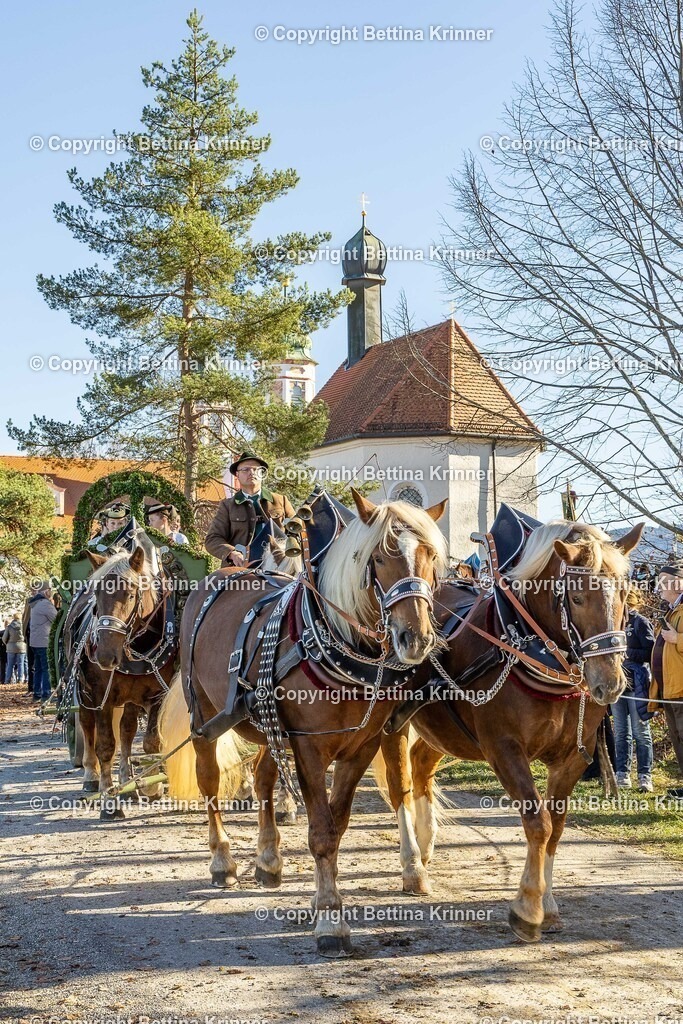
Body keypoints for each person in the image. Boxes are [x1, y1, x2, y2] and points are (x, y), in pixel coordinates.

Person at [204, 452, 295, 567]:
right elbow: (212, 539)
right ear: (237, 475)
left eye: (256, 469)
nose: (251, 473)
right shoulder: (227, 506)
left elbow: (297, 531)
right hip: (241, 568)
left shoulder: (281, 500)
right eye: (245, 469)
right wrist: (232, 553)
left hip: (279, 567)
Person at [613, 587, 655, 791]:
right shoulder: (614, 622)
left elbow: (651, 652)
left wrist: (628, 653)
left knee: (641, 732)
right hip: (618, 685)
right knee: (621, 732)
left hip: (637, 684)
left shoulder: (640, 622)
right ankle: (622, 773)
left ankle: (644, 775)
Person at [649, 563, 683, 795]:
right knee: (678, 739)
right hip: (668, 690)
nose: (658, 586)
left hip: (681, 689)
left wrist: (677, 639)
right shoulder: (672, 610)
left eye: (662, 581)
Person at [27, 582, 58, 702]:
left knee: (39, 668)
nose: (51, 592)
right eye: (50, 590)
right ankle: (46, 694)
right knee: (47, 668)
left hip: (35, 641)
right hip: (44, 641)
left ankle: (37, 694)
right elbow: (56, 619)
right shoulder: (45, 604)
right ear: (45, 591)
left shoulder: (34, 604)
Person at [2, 612, 28, 686]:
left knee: (10, 664)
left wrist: (7, 643)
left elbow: (4, 638)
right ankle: (20, 680)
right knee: (21, 664)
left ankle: (7, 680)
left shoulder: (9, 627)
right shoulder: (23, 626)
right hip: (22, 646)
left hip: (11, 647)